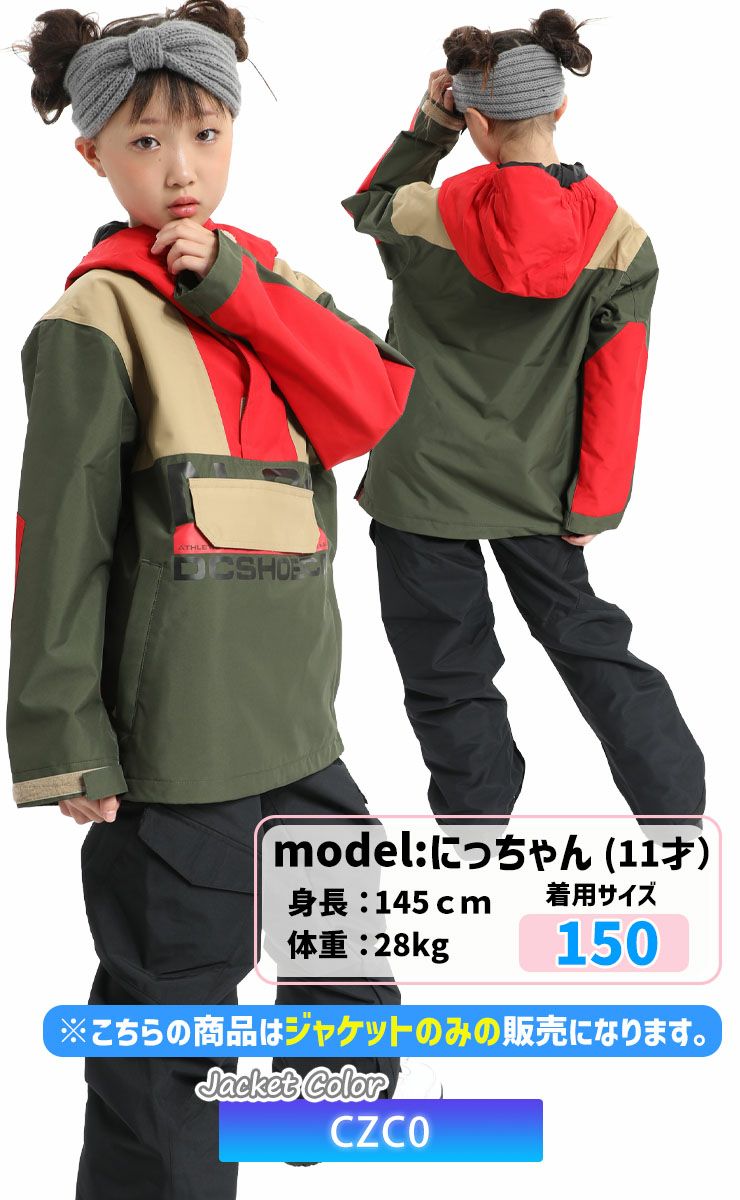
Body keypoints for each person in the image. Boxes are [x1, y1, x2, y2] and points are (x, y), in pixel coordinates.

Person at [7, 2, 417, 1191]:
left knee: (349, 966)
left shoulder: (265, 280)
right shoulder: (93, 318)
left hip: (295, 726)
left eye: (203, 133)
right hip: (175, 747)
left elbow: (374, 402)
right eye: (144, 142)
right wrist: (65, 738)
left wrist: (236, 286)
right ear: (92, 152)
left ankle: (284, 1125)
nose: (179, 169)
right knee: (170, 1021)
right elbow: (60, 543)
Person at [341, 8, 705, 834]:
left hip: (420, 485)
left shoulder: (427, 214)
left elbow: (371, 203)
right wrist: (595, 504)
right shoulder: (622, 241)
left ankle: (475, 832)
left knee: (446, 668)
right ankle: (678, 815)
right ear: (560, 108)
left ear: (474, 121)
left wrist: (429, 125)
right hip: (542, 488)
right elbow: (618, 382)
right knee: (589, 644)